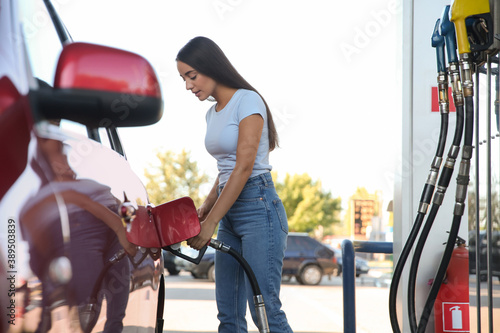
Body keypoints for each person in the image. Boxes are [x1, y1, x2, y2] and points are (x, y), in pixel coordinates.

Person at [176, 36, 293, 333]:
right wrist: (206, 208)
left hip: (259, 208)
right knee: (228, 315)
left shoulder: (247, 100)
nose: (188, 85)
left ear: (211, 67)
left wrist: (210, 223)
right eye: (183, 79)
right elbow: (226, 169)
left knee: (264, 311)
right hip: (229, 210)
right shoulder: (211, 113)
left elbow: (244, 167)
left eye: (192, 76)